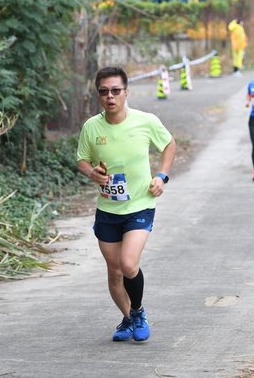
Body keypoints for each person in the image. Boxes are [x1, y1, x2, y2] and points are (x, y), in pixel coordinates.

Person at [77, 67, 176, 342]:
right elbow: (82, 160)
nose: (110, 96)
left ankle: (139, 312)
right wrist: (92, 173)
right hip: (108, 209)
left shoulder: (146, 121)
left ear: (126, 92)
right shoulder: (91, 127)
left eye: (115, 91)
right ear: (98, 95)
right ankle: (128, 318)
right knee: (114, 270)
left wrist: (161, 176)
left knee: (128, 264)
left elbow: (168, 144)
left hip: (140, 205)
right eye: (104, 91)